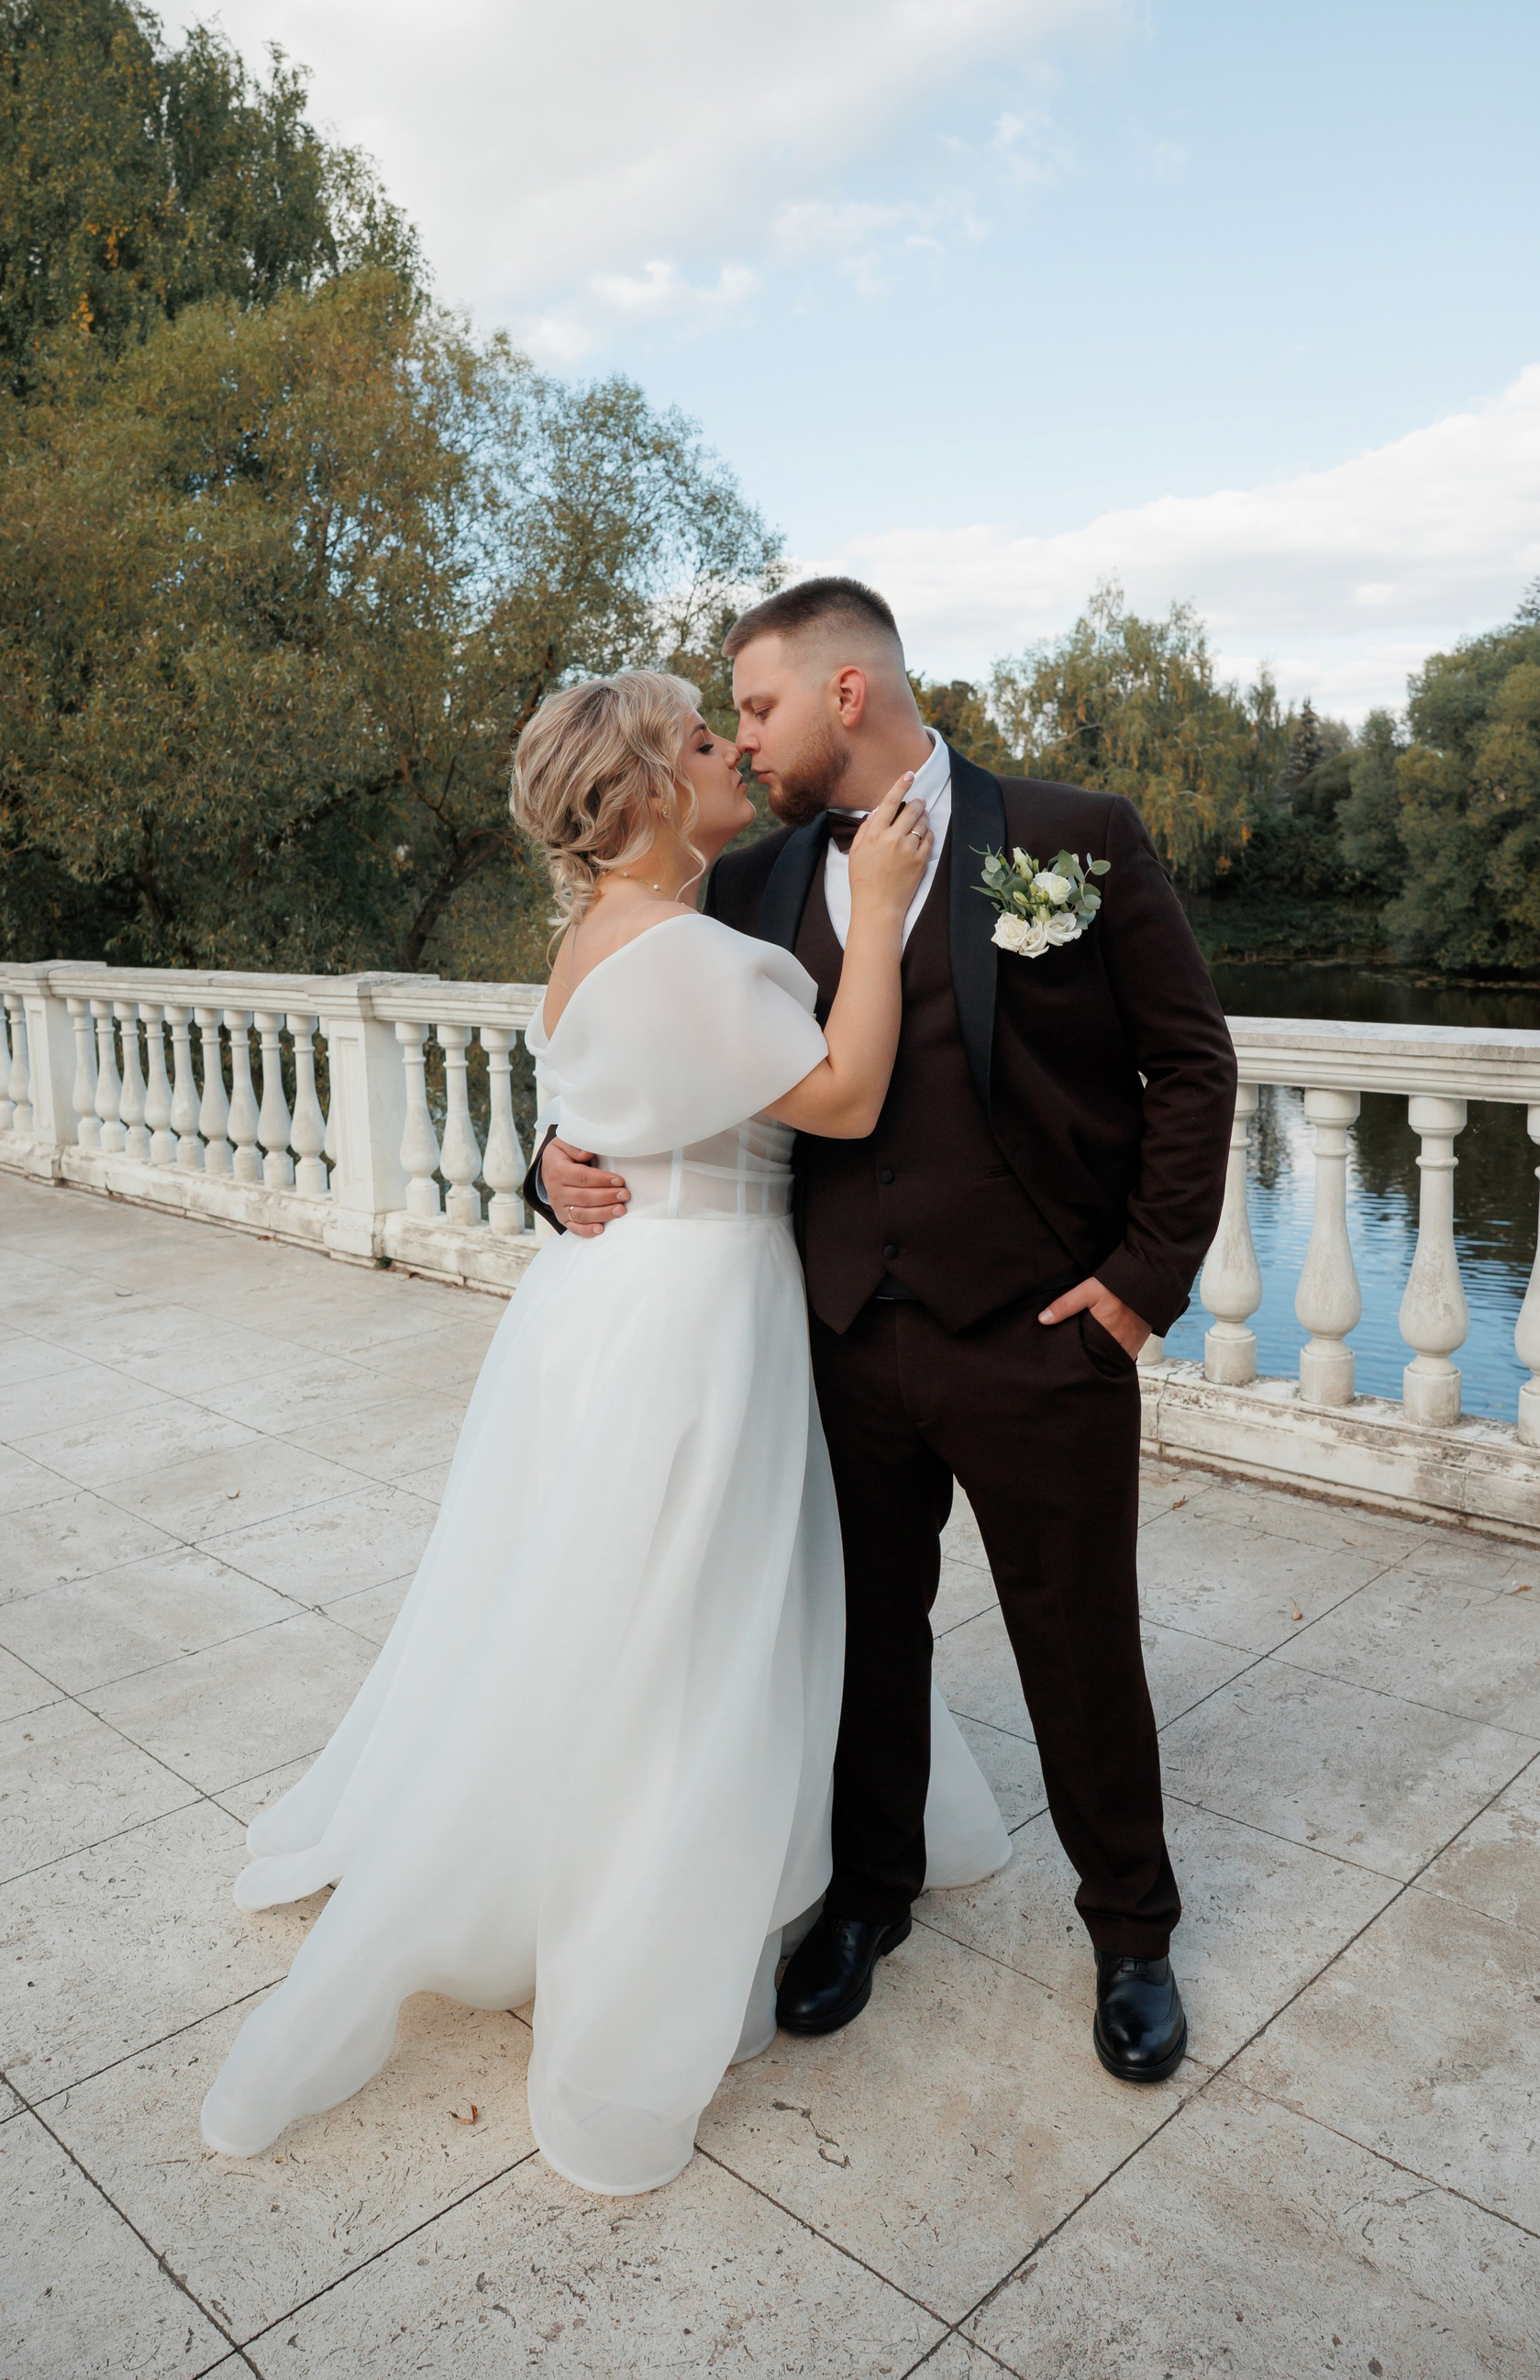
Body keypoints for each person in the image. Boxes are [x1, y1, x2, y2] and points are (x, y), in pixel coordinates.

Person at [199, 667, 1009, 2196]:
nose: (729, 753)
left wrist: (563, 1154)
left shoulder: (593, 939)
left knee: (604, 1592)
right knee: (679, 1608)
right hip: (696, 1309)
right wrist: (880, 907)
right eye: (702, 739)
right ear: (642, 788)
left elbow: (612, 1099)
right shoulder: (686, 943)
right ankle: (647, 1882)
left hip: (602, 1304)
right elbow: (842, 1098)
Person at [540, 581, 1238, 2085]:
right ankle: (868, 1898)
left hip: (1043, 1334)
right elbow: (623, 1031)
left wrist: (1140, 1284)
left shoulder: (1071, 835)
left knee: (1080, 1643)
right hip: (835, 1332)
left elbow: (1191, 1065)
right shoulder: (747, 878)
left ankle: (1133, 1932)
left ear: (845, 692)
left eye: (758, 707)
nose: (743, 738)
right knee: (859, 1635)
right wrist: (550, 1159)